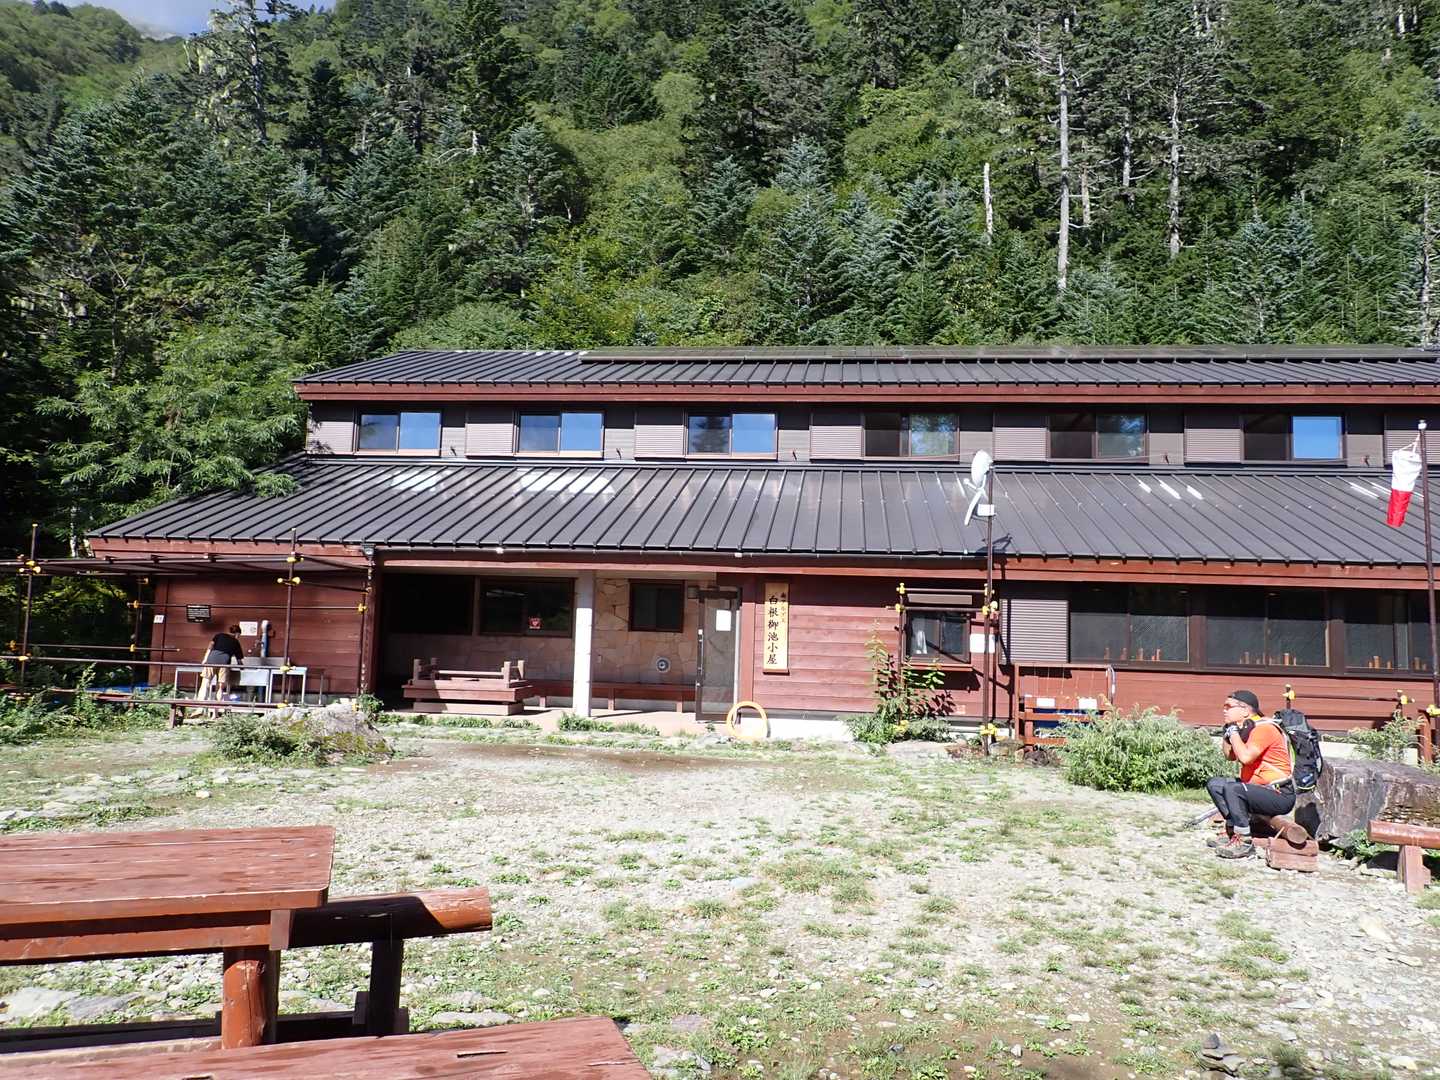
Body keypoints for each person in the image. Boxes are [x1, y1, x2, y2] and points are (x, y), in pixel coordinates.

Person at [1204, 690, 1295, 859]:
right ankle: (1231, 831)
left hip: (1279, 793)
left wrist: (1233, 733)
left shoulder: (1264, 728)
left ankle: (1244, 842)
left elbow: (1245, 758)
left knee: (1233, 789)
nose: (1224, 710)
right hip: (1257, 789)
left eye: (1228, 706)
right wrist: (1227, 733)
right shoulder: (1246, 728)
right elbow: (1229, 756)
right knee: (1215, 784)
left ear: (1245, 710)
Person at [196, 624, 245, 709]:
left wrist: (205, 659)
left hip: (211, 660)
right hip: (224, 663)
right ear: (237, 634)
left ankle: (199, 708)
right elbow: (239, 661)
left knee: (205, 683)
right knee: (220, 688)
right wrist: (242, 668)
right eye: (239, 635)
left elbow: (210, 647)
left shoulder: (219, 635)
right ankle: (215, 713)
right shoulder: (236, 642)